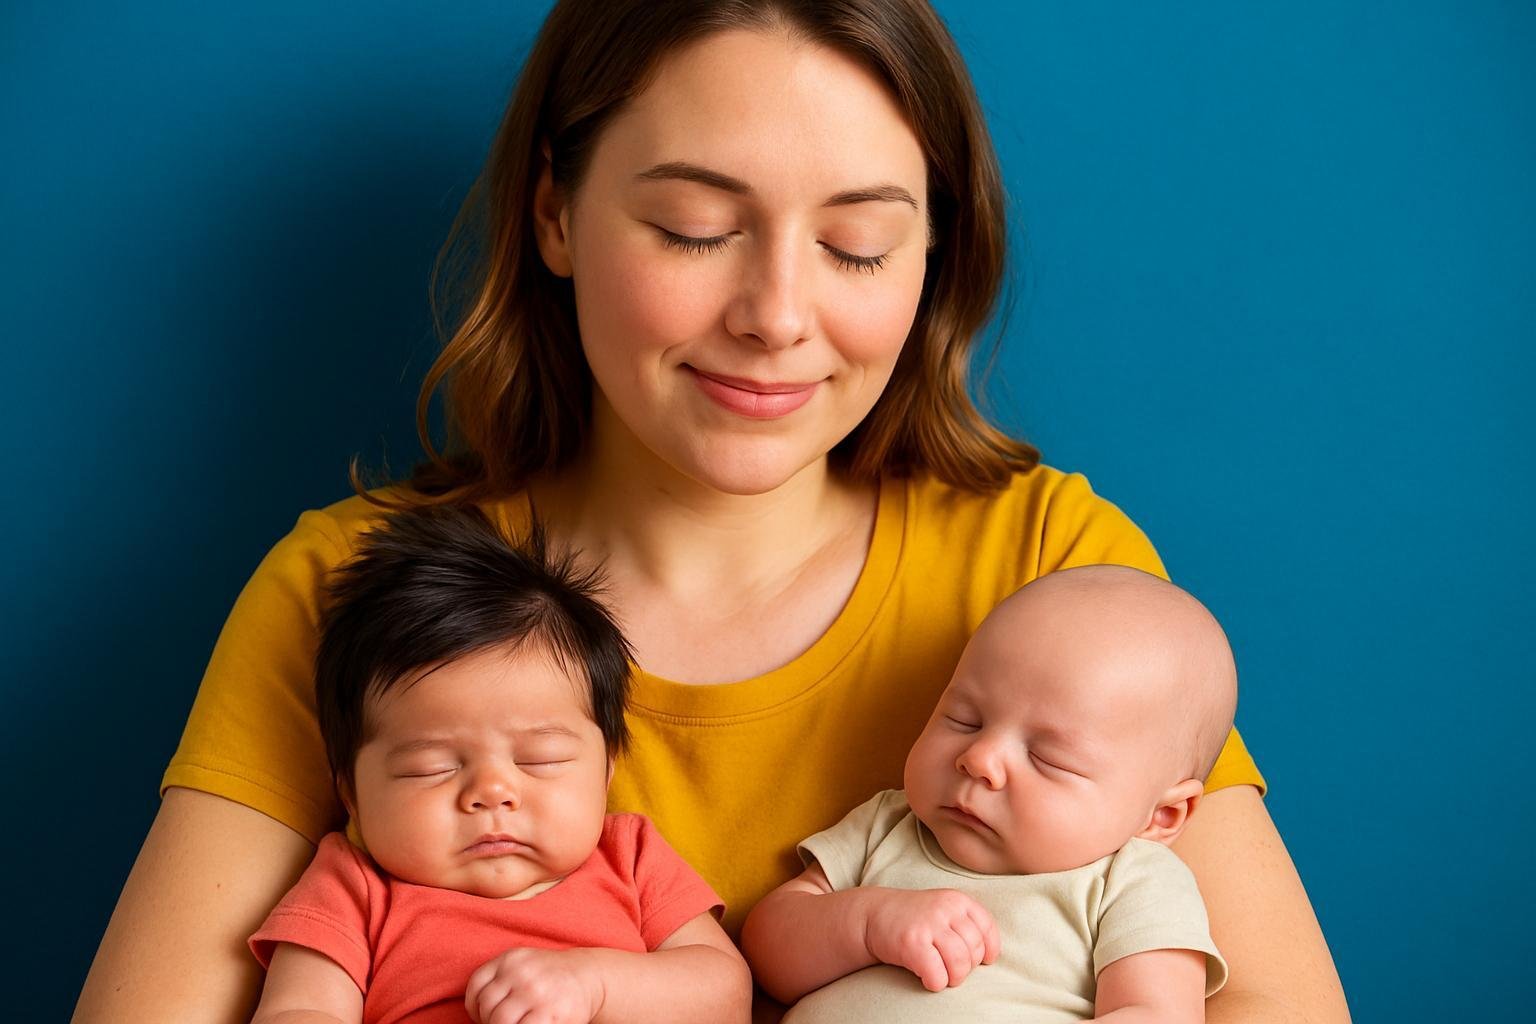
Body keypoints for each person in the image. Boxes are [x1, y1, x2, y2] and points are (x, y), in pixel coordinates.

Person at [74, 2, 1350, 1022]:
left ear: (931, 261)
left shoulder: (1054, 567)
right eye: (693, 229)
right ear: (557, 214)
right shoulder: (355, 588)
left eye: (856, 246)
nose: (777, 315)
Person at [247, 508, 749, 1024]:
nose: (492, 791)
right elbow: (298, 1009)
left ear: (606, 773)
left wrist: (594, 984)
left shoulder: (630, 857)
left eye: (540, 758)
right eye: (429, 767)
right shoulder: (354, 886)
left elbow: (725, 994)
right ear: (351, 794)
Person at [743, 565, 1236, 1022]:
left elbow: (1153, 1015)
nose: (979, 759)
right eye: (964, 719)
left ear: (1163, 815)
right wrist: (868, 922)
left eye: (1049, 758)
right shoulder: (890, 824)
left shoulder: (1131, 882)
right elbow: (767, 954)